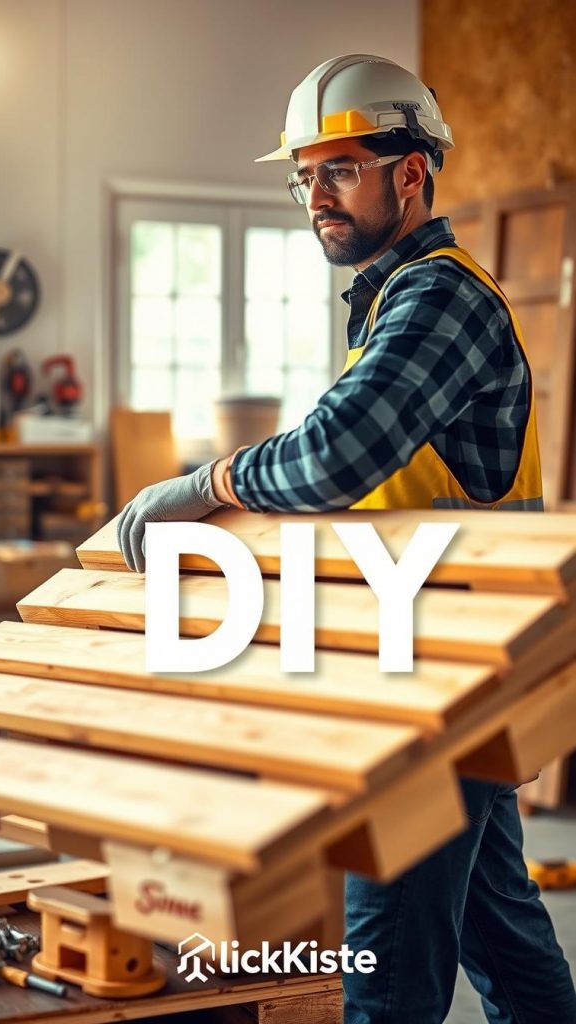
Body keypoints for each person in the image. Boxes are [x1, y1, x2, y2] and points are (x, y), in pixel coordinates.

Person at [117, 54, 576, 1023]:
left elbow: (334, 457)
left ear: (411, 173)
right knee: (506, 941)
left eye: (341, 168)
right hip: (431, 671)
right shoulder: (387, 302)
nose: (315, 195)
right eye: (304, 174)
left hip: (437, 696)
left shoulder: (439, 301)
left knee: (384, 976)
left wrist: (202, 485)